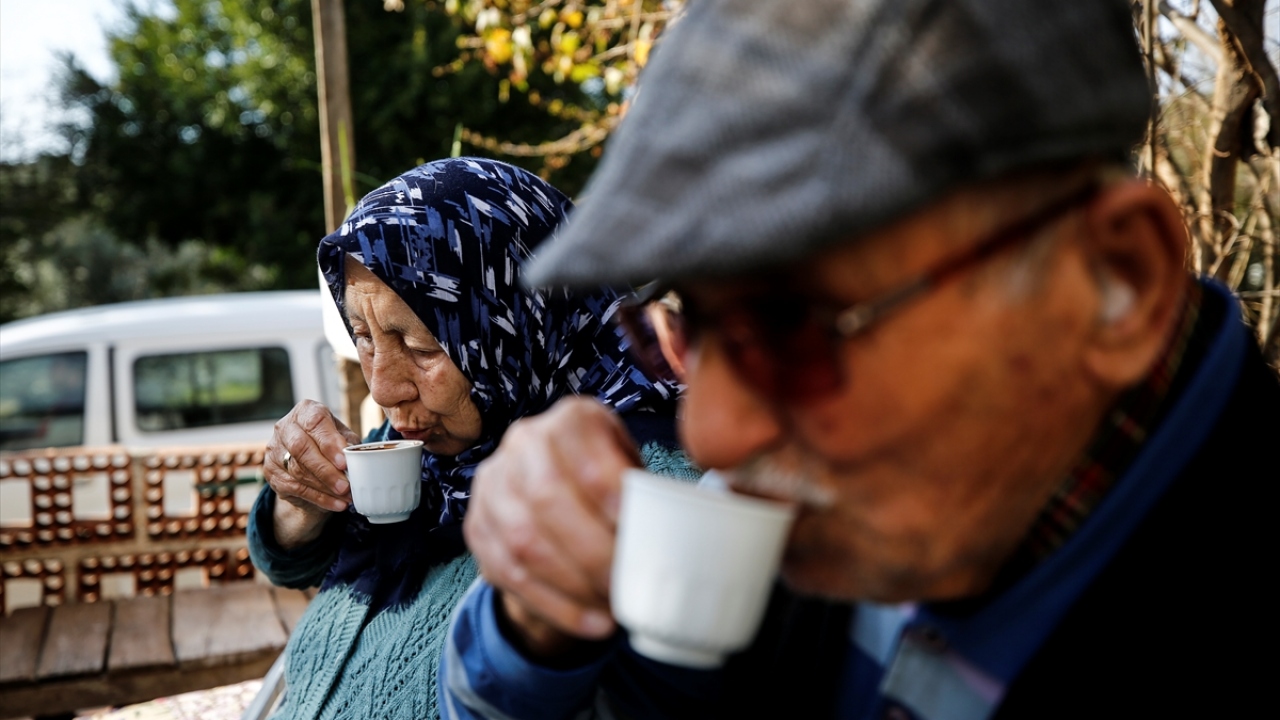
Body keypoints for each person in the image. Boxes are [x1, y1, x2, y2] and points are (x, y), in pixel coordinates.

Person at [438, 0, 1280, 718]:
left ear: (1116, 281)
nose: (714, 436)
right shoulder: (841, 528)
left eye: (792, 325)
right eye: (688, 326)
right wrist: (535, 616)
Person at [247, 158, 685, 720]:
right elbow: (286, 564)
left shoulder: (639, 485)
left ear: (520, 323)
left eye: (424, 347)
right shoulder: (435, 446)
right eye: (365, 337)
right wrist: (299, 504)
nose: (383, 387)